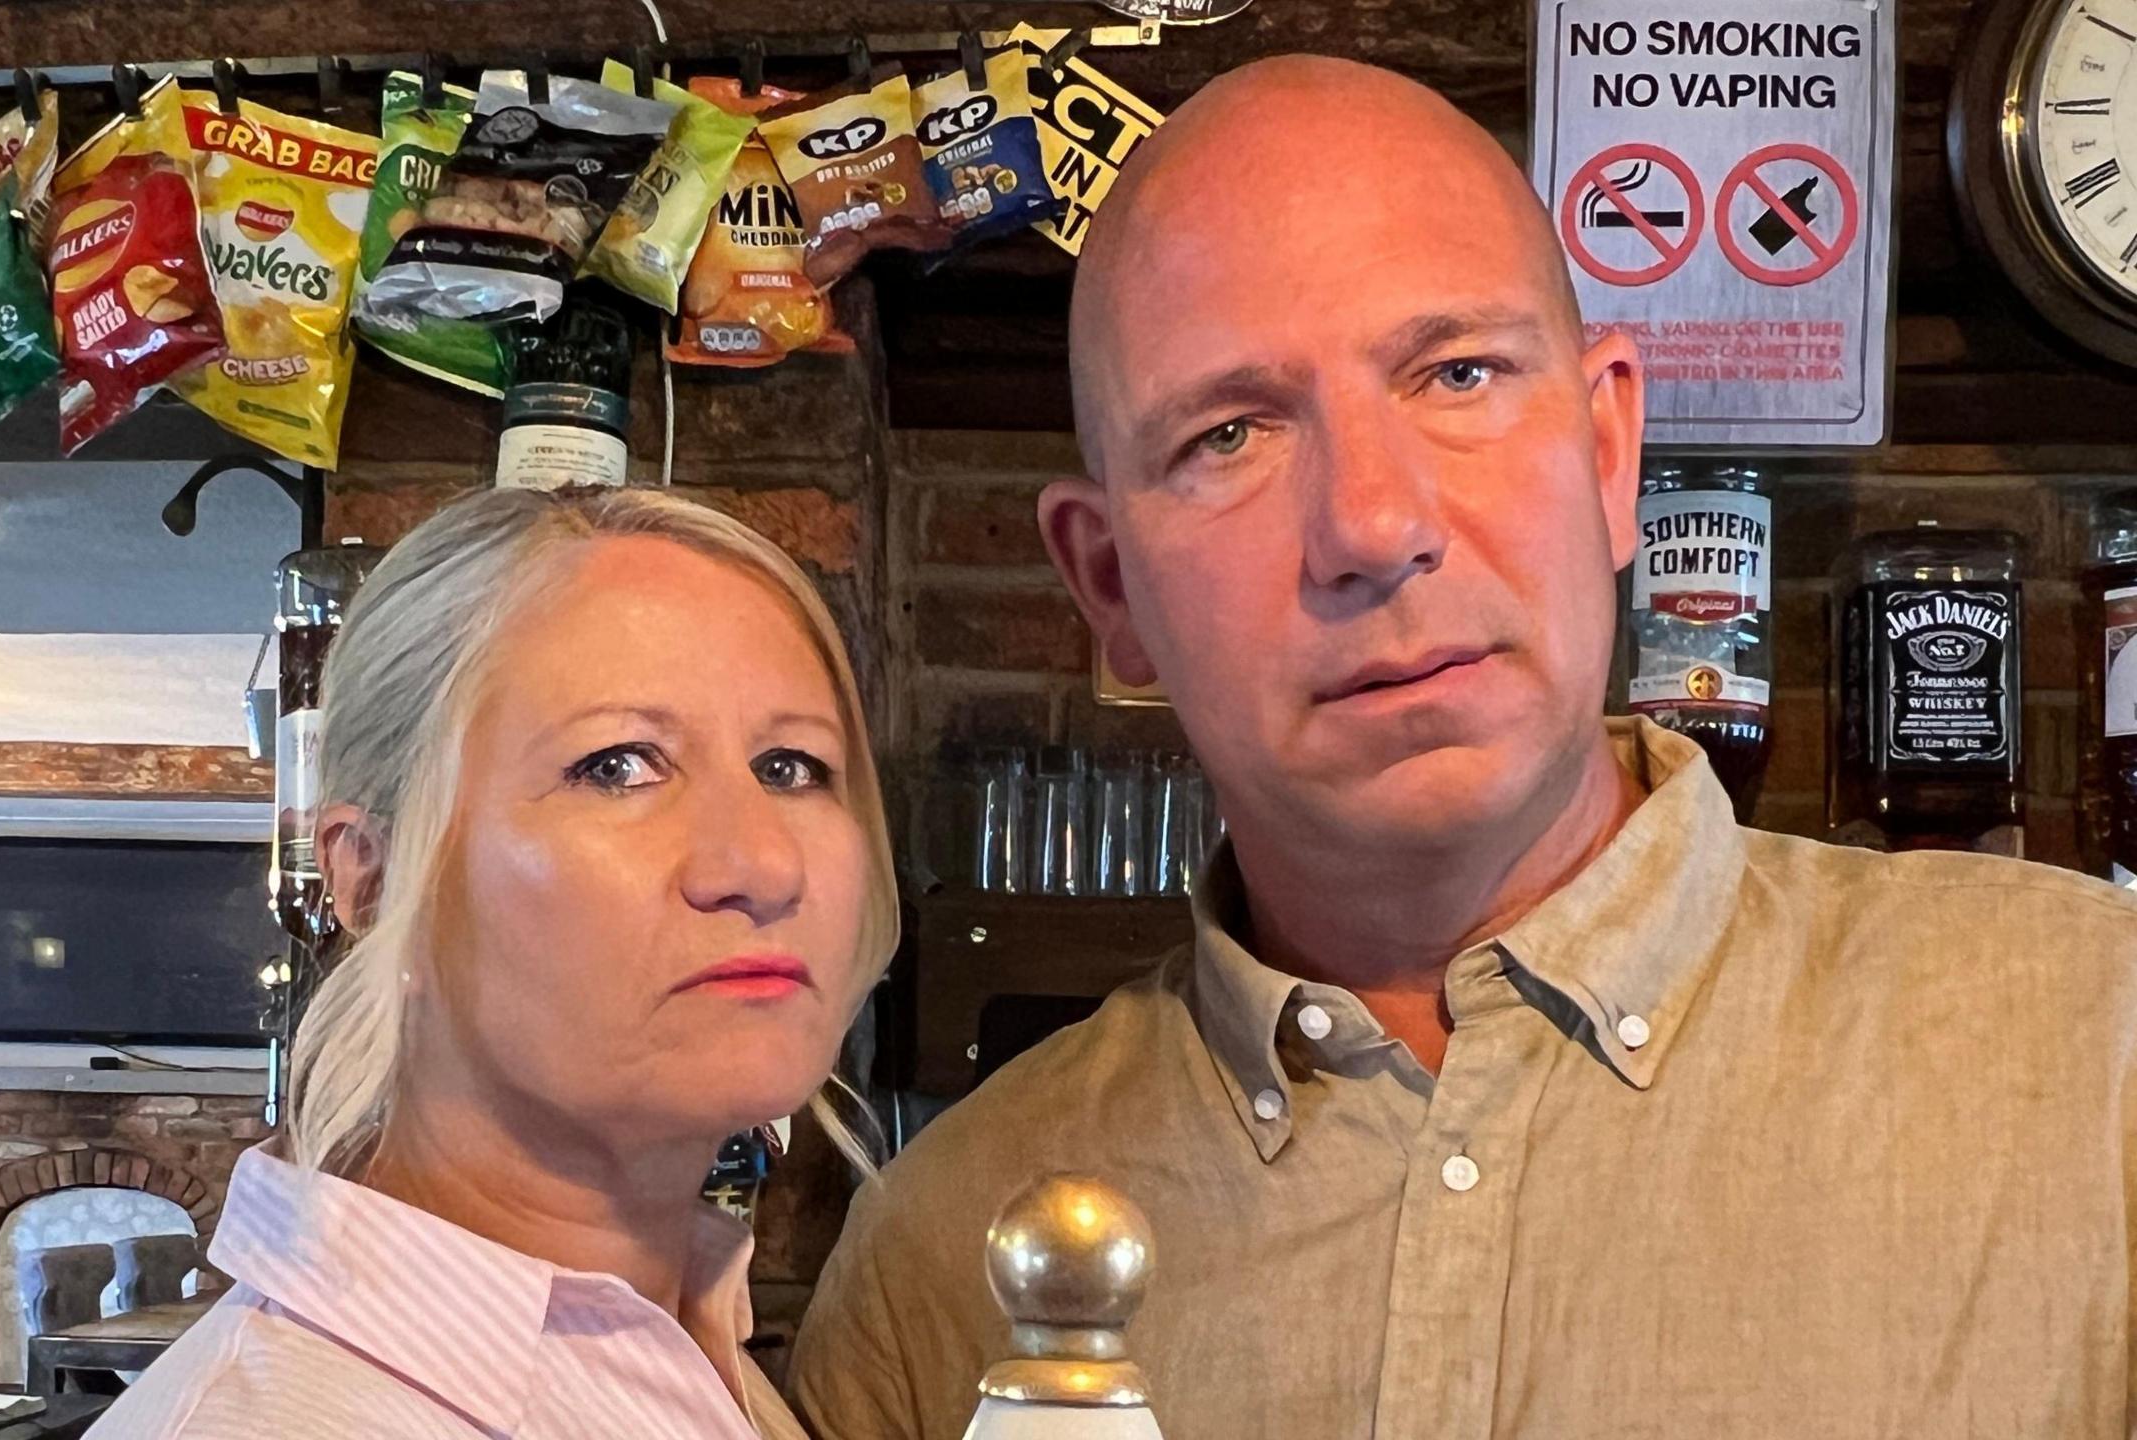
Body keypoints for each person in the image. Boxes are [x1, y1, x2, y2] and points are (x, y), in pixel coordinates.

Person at [789, 54, 2137, 1440]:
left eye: (1459, 371)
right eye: (1231, 433)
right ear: (1114, 590)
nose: (1373, 525)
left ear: (1610, 454)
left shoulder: (2099, 1053)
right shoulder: (940, 1268)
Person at [101, 488, 897, 1439]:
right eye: (617, 765)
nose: (763, 865)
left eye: (791, 767)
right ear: (376, 880)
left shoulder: (680, 1335)